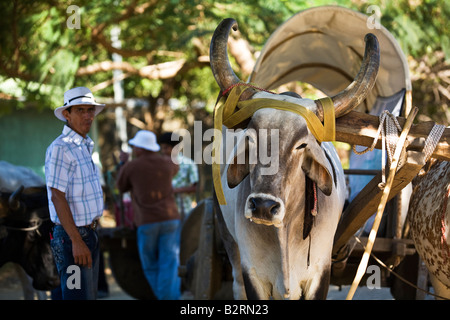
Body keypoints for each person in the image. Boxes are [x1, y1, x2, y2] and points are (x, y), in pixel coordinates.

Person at [45, 86, 105, 300]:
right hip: (72, 238)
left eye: (90, 110)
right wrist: (77, 241)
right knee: (76, 297)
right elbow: (57, 196)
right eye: (80, 110)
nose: (88, 116)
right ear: (67, 115)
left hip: (89, 234)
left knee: (86, 297)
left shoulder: (84, 146)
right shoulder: (61, 148)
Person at [116, 130, 181, 300]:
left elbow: (120, 186)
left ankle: (163, 297)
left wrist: (123, 163)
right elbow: (175, 169)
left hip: (147, 221)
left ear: (140, 148)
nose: (134, 148)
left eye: (135, 146)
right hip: (170, 218)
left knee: (150, 264)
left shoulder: (132, 166)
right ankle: (169, 297)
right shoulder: (168, 163)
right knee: (169, 263)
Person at [159, 132, 199, 220]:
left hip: (183, 210)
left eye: (166, 148)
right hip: (163, 212)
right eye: (162, 148)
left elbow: (196, 188)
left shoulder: (188, 164)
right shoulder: (159, 164)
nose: (163, 151)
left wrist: (175, 191)